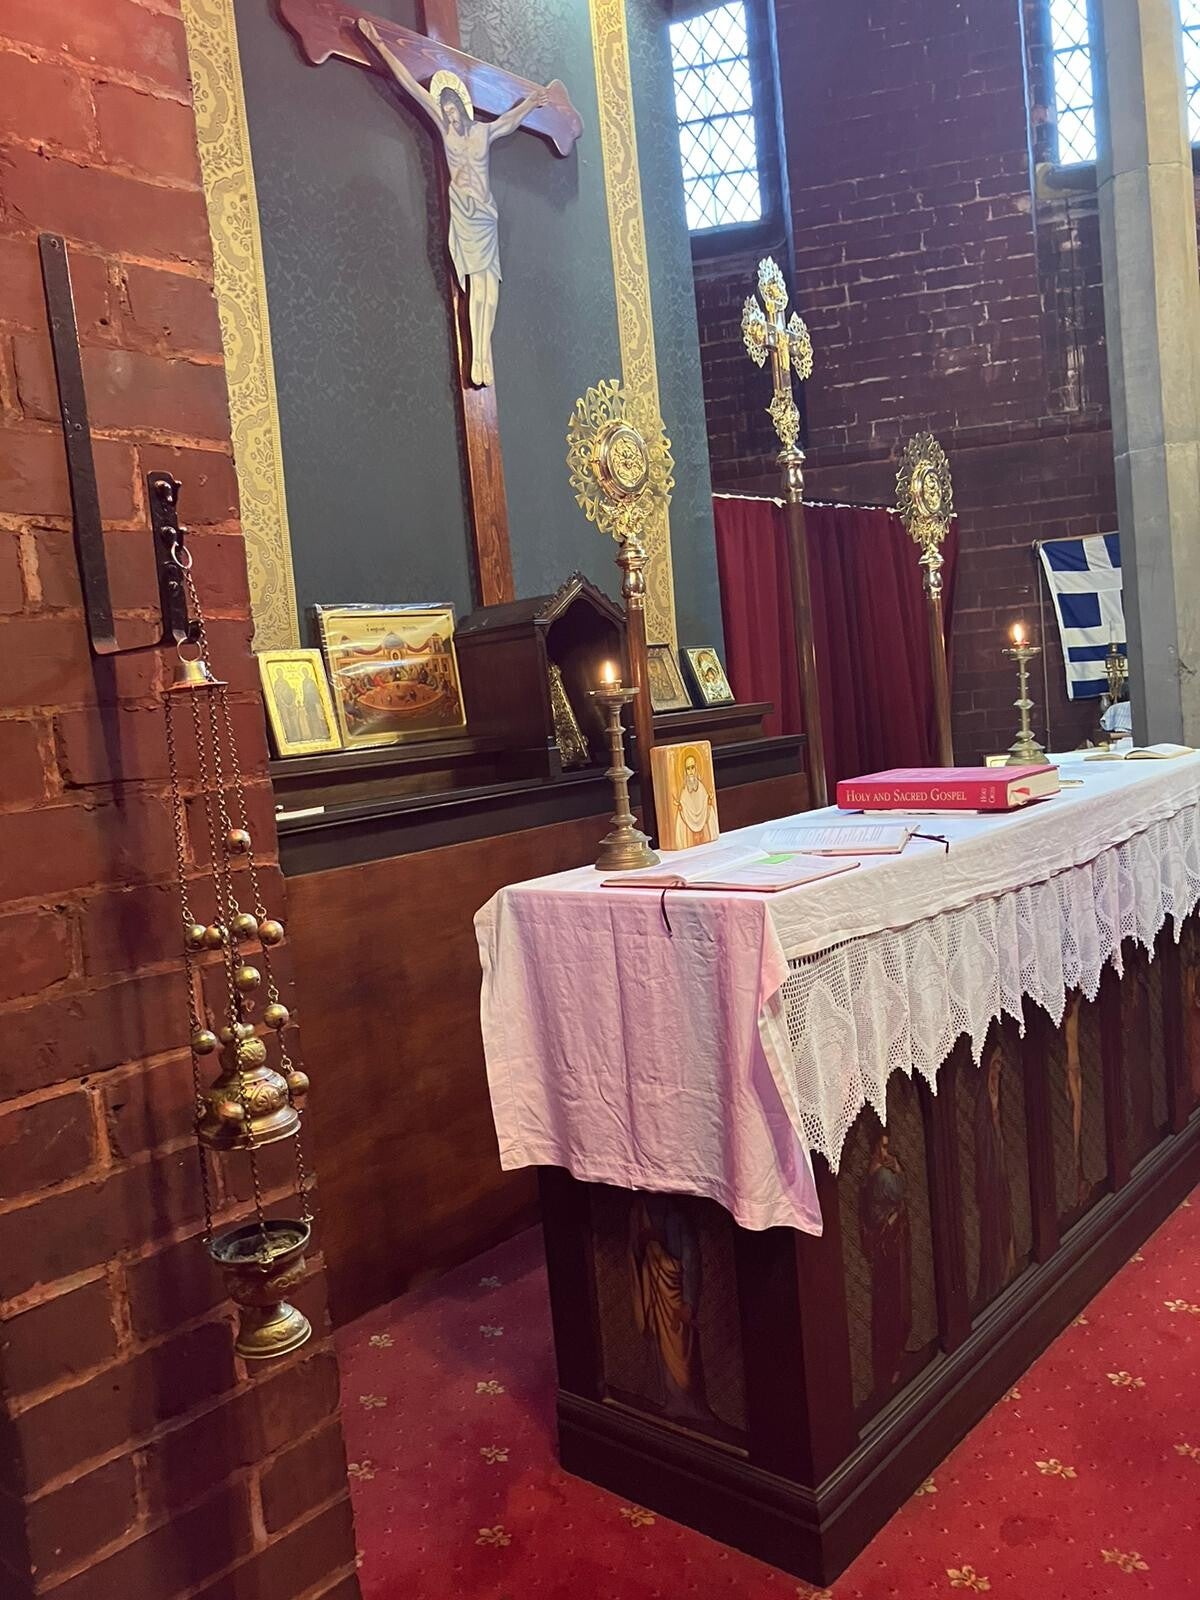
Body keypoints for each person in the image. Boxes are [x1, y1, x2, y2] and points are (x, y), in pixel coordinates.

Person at [359, 17, 549, 387]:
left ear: (462, 108)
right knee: (476, 288)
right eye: (445, 112)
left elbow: (509, 121)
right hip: (463, 213)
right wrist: (379, 45)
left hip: (486, 216)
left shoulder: (482, 132)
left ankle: (484, 352)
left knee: (490, 291)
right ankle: (477, 356)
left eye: (453, 112)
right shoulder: (446, 132)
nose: (450, 117)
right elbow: (410, 85)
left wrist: (529, 103)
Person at [859, 1129, 912, 1393]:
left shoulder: (871, 1177)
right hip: (890, 1249)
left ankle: (891, 1362)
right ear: (873, 1149)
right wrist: (898, 1167)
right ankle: (892, 1364)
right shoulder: (881, 1177)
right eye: (882, 1147)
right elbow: (901, 1190)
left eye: (887, 1147)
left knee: (888, 1305)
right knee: (894, 1304)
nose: (886, 1153)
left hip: (884, 1250)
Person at [974, 1043, 1017, 1304]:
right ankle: (996, 1280)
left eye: (1000, 1064)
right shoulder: (983, 1097)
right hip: (990, 1173)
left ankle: (1008, 1271)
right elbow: (984, 1134)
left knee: (1005, 1221)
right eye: (995, 1064)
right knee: (994, 1228)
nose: (998, 1070)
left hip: (999, 1170)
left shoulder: (997, 1089)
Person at [673, 749, 718, 848]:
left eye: (692, 767)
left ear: (696, 768)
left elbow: (705, 802)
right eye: (688, 769)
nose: (691, 772)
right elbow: (683, 806)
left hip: (704, 822)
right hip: (688, 824)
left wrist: (709, 799)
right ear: (685, 771)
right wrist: (681, 805)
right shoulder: (684, 791)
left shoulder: (701, 787)